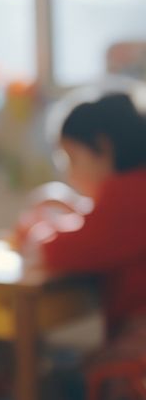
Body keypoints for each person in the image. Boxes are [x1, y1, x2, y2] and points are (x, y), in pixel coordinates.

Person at [15, 89, 146, 345]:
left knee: (86, 370)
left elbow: (50, 251)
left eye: (72, 158)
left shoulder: (126, 193)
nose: (69, 173)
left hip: (138, 345)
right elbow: (105, 233)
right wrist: (74, 208)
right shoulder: (135, 188)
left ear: (103, 147)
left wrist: (35, 229)